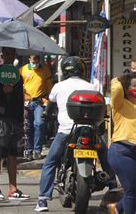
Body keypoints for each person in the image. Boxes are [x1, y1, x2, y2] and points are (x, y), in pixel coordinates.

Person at [34, 56, 116, 212]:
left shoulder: (58, 87)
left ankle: (43, 200)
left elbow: (50, 108)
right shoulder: (91, 86)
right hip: (90, 130)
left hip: (66, 131)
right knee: (105, 155)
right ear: (82, 70)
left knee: (50, 162)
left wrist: (46, 115)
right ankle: (112, 185)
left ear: (64, 71)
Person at [0, 47, 29, 202]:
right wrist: (1, 91)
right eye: (6, 54)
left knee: (13, 154)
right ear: (2, 56)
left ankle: (13, 188)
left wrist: (21, 119)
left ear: (15, 56)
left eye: (12, 54)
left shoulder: (18, 76)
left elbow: (20, 98)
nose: (9, 56)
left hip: (14, 119)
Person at [107, 72, 136, 214]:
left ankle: (117, 208)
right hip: (122, 150)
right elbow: (117, 89)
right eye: (134, 86)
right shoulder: (120, 103)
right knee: (132, 190)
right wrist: (119, 79)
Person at [20, 55, 53, 161]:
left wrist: (49, 99)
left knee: (39, 124)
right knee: (28, 127)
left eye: (37, 60)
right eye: (33, 60)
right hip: (26, 102)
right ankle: (29, 150)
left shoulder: (45, 70)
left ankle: (37, 150)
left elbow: (49, 87)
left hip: (39, 102)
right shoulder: (23, 70)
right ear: (29, 59)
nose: (35, 62)